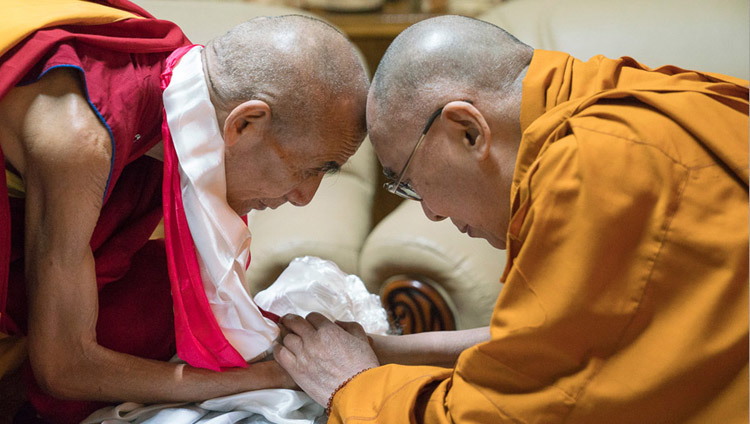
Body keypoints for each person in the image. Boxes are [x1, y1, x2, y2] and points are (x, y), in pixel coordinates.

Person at [274, 15, 749, 423]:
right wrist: (384, 349)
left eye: (409, 181)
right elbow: (562, 343)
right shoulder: (631, 100)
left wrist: (353, 385)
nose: (432, 212)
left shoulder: (595, 164)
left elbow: (517, 410)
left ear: (468, 131)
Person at [0, 0, 368, 422]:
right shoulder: (78, 138)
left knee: (164, 302)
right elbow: (63, 367)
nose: (304, 196)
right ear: (244, 124)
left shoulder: (178, 88)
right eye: (307, 170)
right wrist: (266, 379)